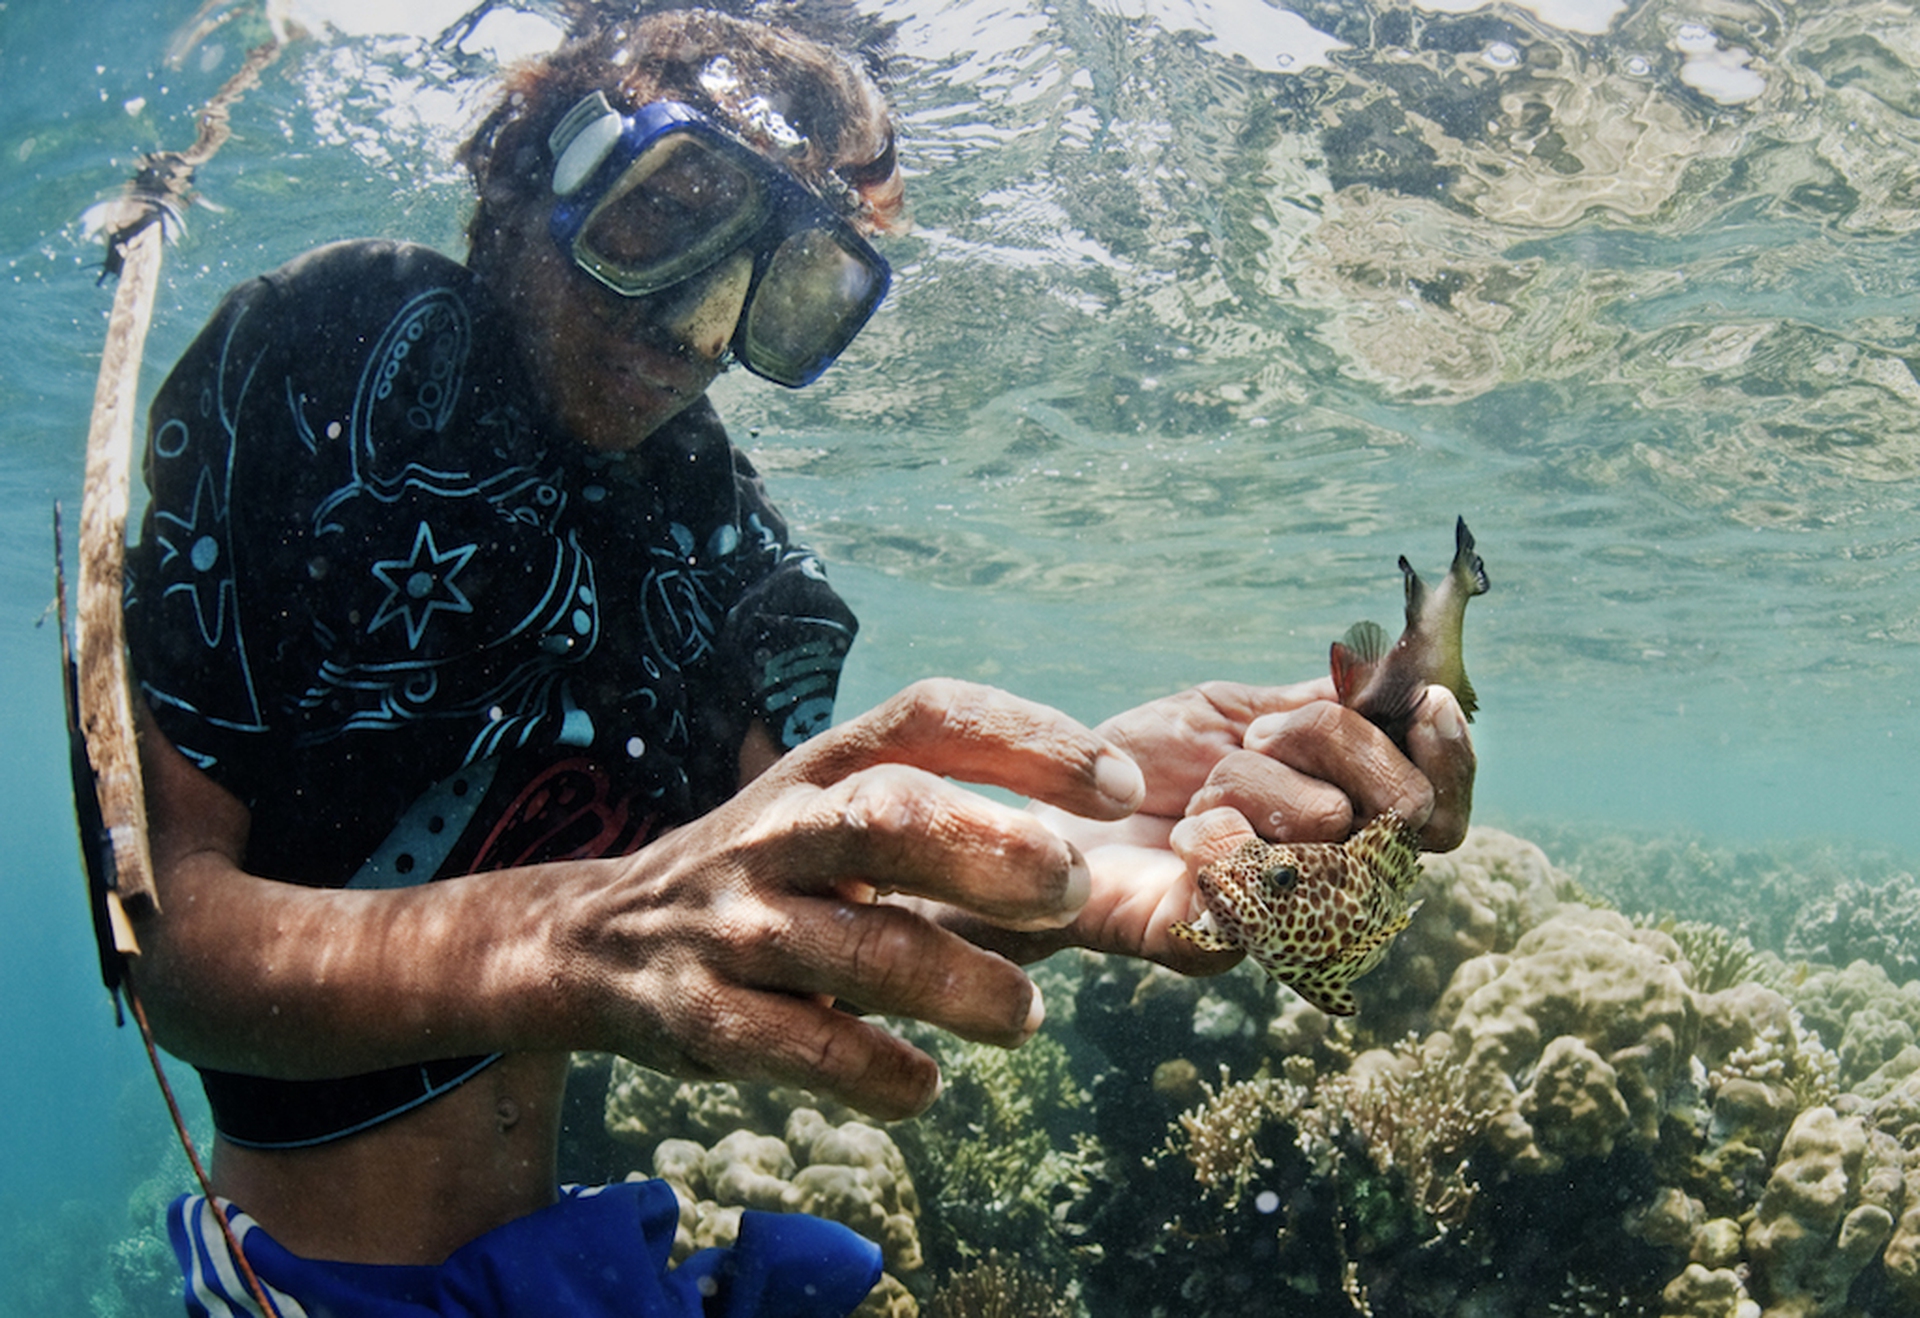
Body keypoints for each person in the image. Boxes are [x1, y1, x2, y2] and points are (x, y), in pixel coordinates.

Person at [121, 5, 1476, 1315]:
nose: (696, 329)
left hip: (575, 1260)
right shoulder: (332, 363)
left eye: (786, 285)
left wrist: (1080, 842)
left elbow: (784, 919)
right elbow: (169, 934)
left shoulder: (711, 526)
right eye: (670, 210)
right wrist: (572, 942)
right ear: (546, 154)